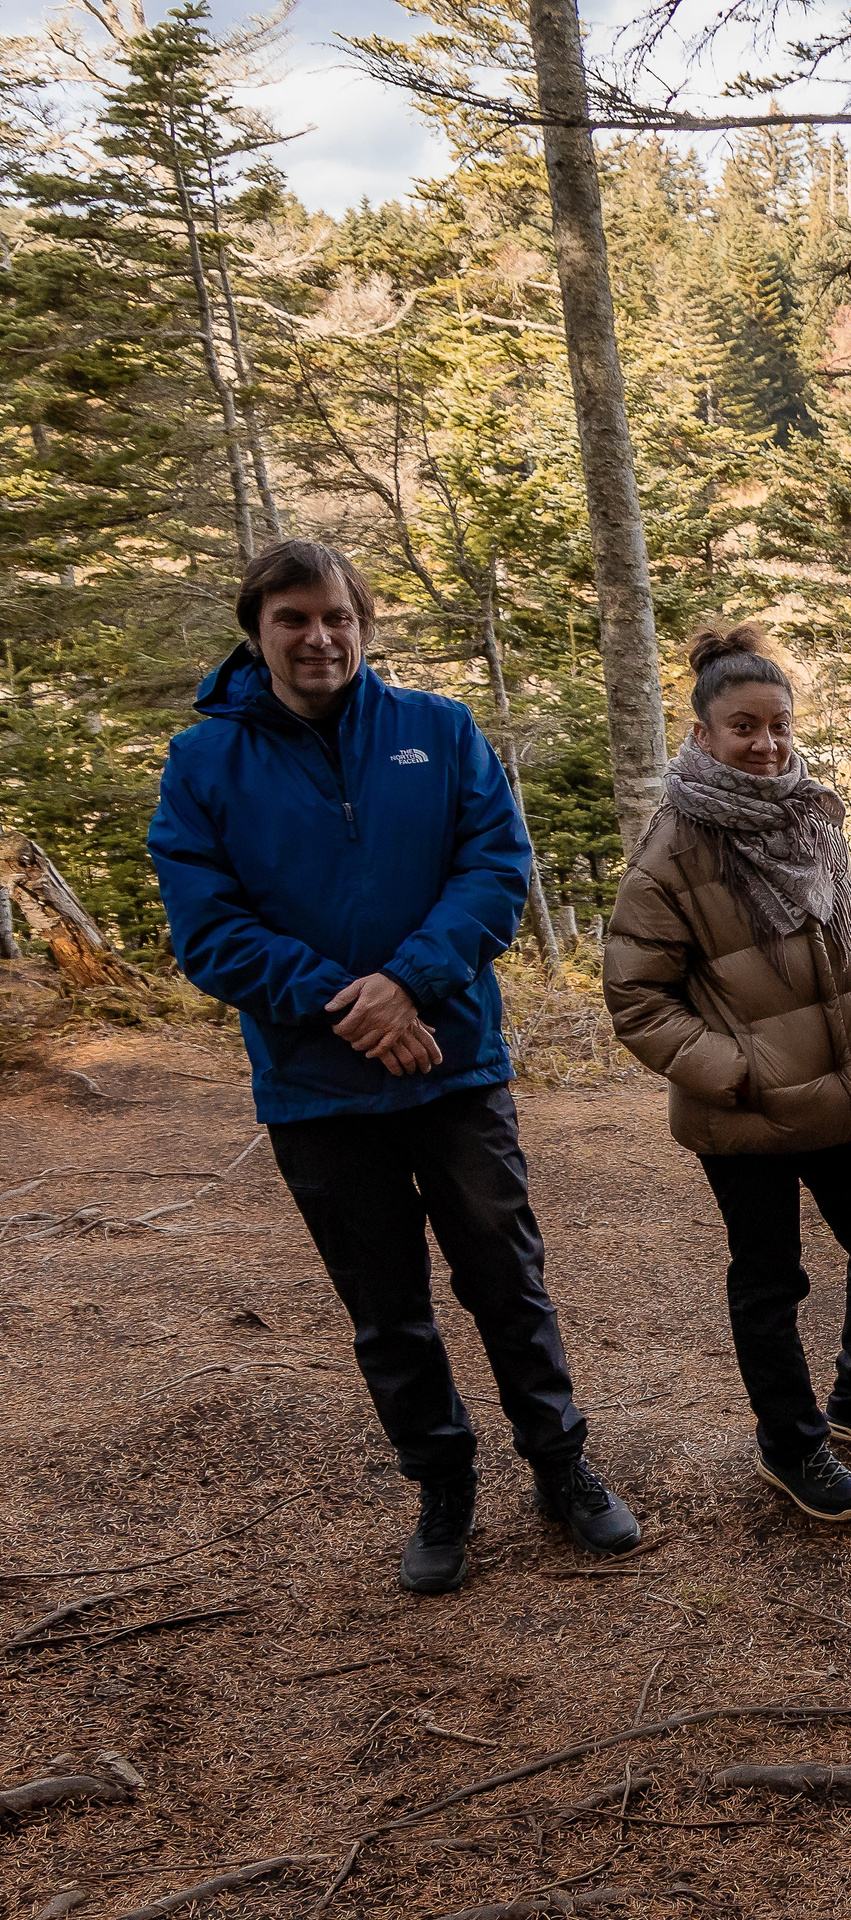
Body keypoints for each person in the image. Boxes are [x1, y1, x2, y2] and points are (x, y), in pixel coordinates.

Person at [148, 540, 638, 1596]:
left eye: (335, 616)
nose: (318, 637)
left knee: (507, 1281)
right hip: (317, 1089)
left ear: (363, 625)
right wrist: (357, 1009)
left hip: (454, 1067)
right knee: (386, 1307)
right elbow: (208, 929)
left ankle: (563, 1470)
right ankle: (442, 1485)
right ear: (257, 632)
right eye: (293, 619)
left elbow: (495, 870)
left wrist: (408, 985)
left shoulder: (437, 730)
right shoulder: (204, 765)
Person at [603, 626, 851, 1527]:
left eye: (778, 724)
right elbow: (636, 996)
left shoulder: (813, 816)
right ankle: (792, 1444)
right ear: (703, 732)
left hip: (838, 1094)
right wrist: (737, 1072)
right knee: (770, 1278)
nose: (767, 743)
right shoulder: (673, 848)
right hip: (742, 1111)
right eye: (743, 726)